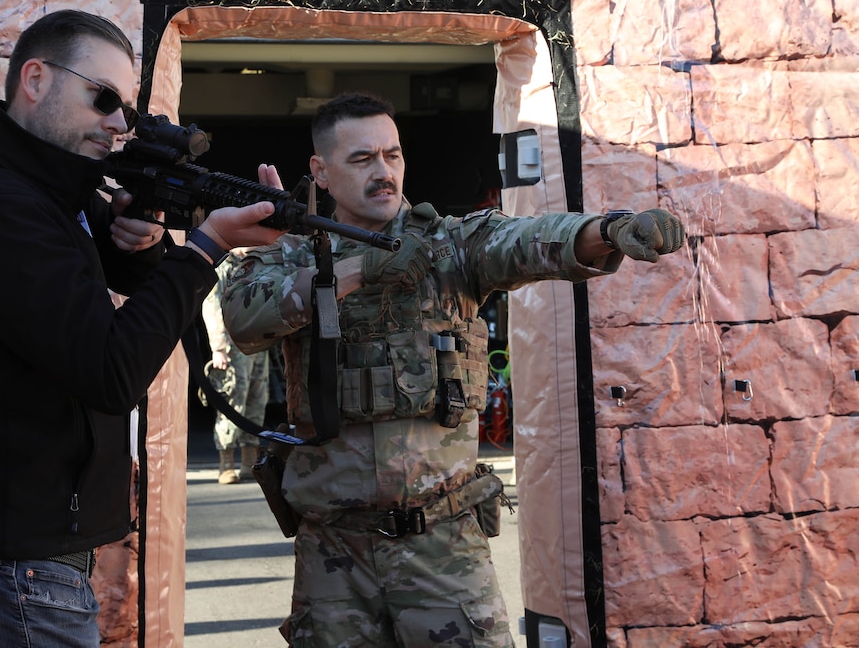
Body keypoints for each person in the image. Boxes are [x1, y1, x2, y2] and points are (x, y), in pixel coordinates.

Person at [223, 92, 686, 647]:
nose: (383, 172)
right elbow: (245, 317)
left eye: (392, 155)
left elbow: (525, 239)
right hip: (334, 556)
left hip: (442, 545)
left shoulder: (449, 246)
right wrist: (357, 269)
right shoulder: (293, 254)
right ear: (320, 171)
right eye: (362, 159)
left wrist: (608, 231)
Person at [0, 9, 285, 648]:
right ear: (36, 79)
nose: (116, 123)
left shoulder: (46, 192)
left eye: (126, 110)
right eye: (101, 97)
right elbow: (110, 371)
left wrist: (143, 250)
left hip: (21, 559)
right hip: (9, 565)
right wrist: (205, 248)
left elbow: (94, 294)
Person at [201, 247, 270, 484]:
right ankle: (226, 462)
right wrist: (218, 347)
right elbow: (210, 305)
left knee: (256, 399)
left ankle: (249, 460)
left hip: (257, 343)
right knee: (232, 401)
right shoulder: (222, 265)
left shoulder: (257, 262)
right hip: (231, 346)